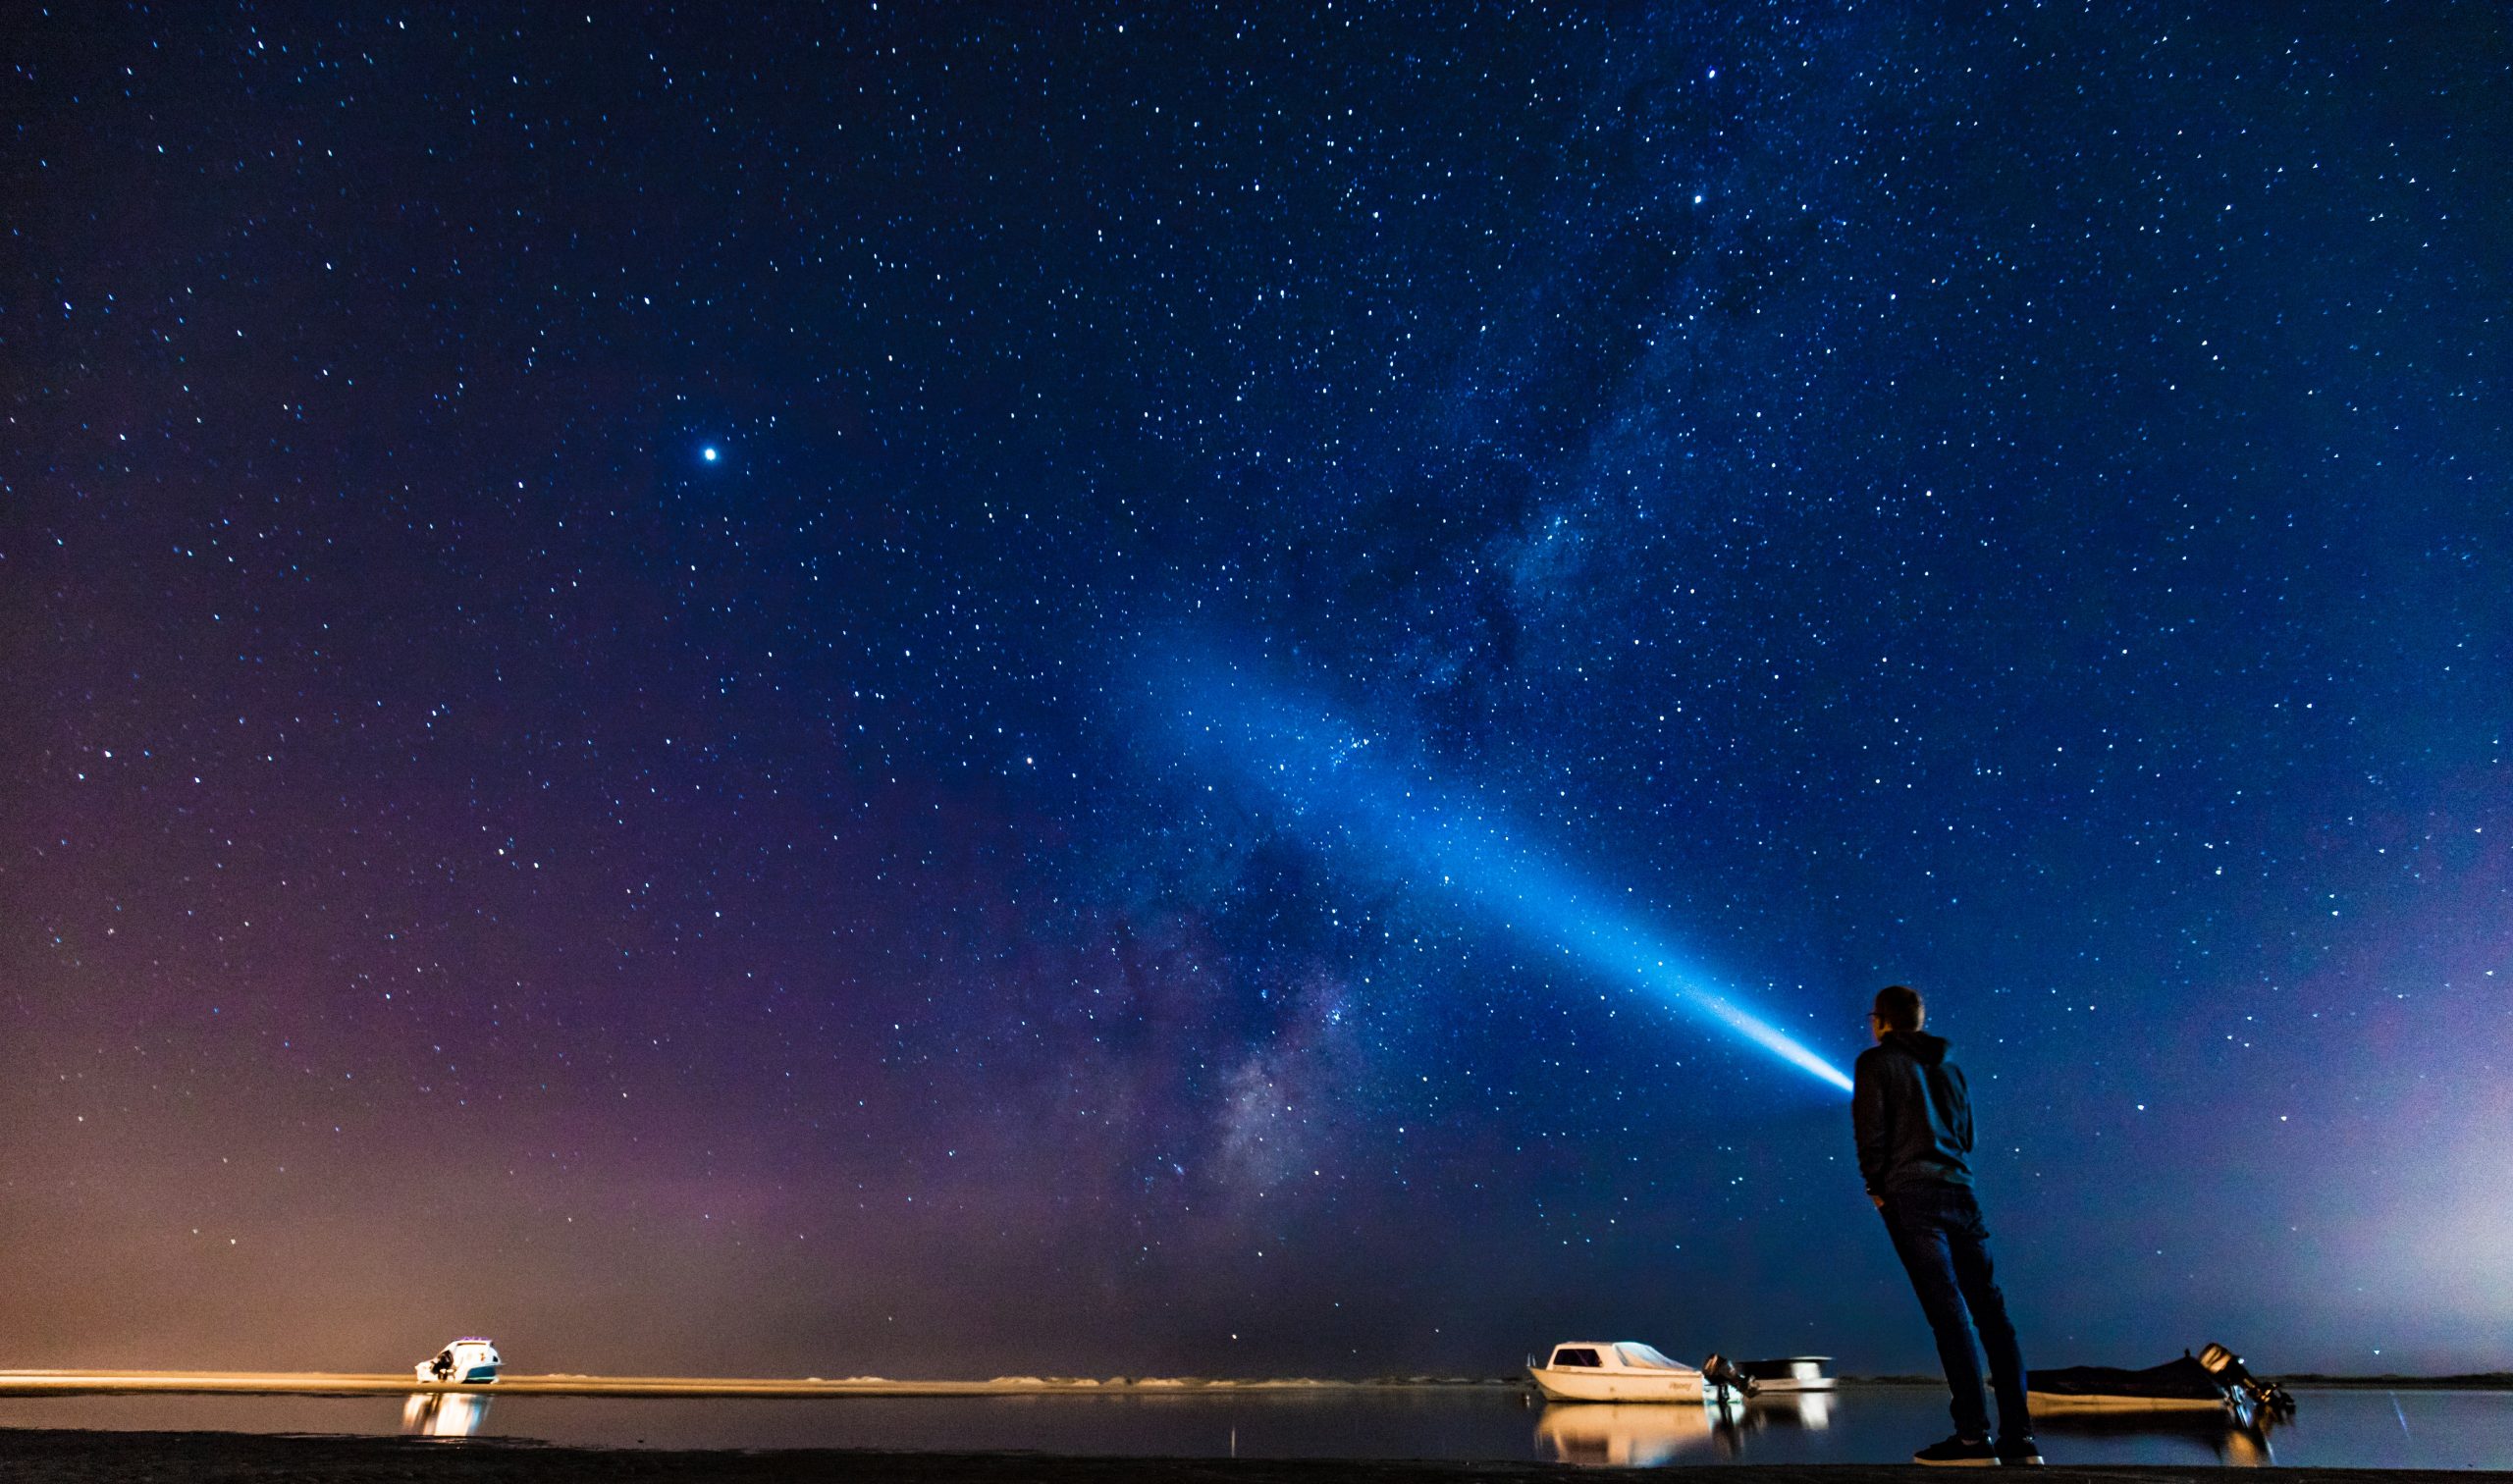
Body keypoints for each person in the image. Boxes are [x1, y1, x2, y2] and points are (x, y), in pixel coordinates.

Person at [1854, 983, 2039, 1467]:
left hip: (1911, 1195)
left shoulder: (1875, 1063)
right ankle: (2020, 1439)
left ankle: (1973, 1440)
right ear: (1921, 1018)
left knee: (1948, 1313)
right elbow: (1968, 1136)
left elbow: (1870, 1131)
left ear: (1882, 1021)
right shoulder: (1950, 1067)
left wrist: (1876, 1186)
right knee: (1992, 1315)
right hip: (1961, 1191)